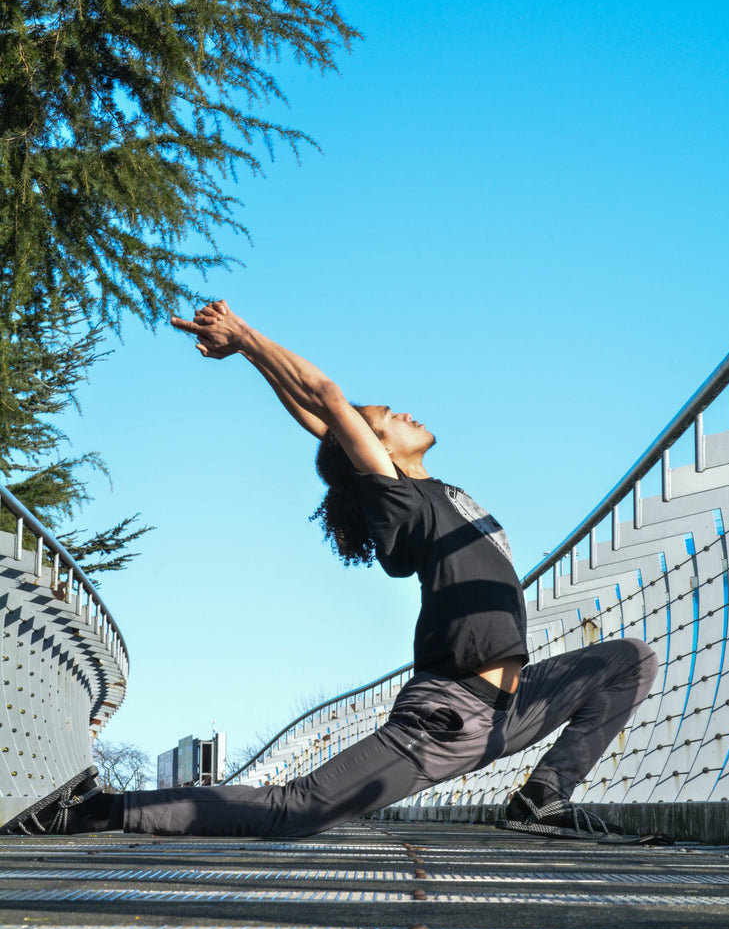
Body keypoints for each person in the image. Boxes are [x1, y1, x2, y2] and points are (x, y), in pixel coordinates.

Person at [2, 301, 657, 840]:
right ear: (375, 451)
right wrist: (247, 339)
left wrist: (264, 368)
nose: (401, 412)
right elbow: (328, 401)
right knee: (297, 808)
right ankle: (98, 809)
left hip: (513, 708)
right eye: (385, 419)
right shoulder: (400, 499)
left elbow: (321, 418)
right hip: (450, 716)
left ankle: (542, 797)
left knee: (630, 659)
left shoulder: (438, 491)